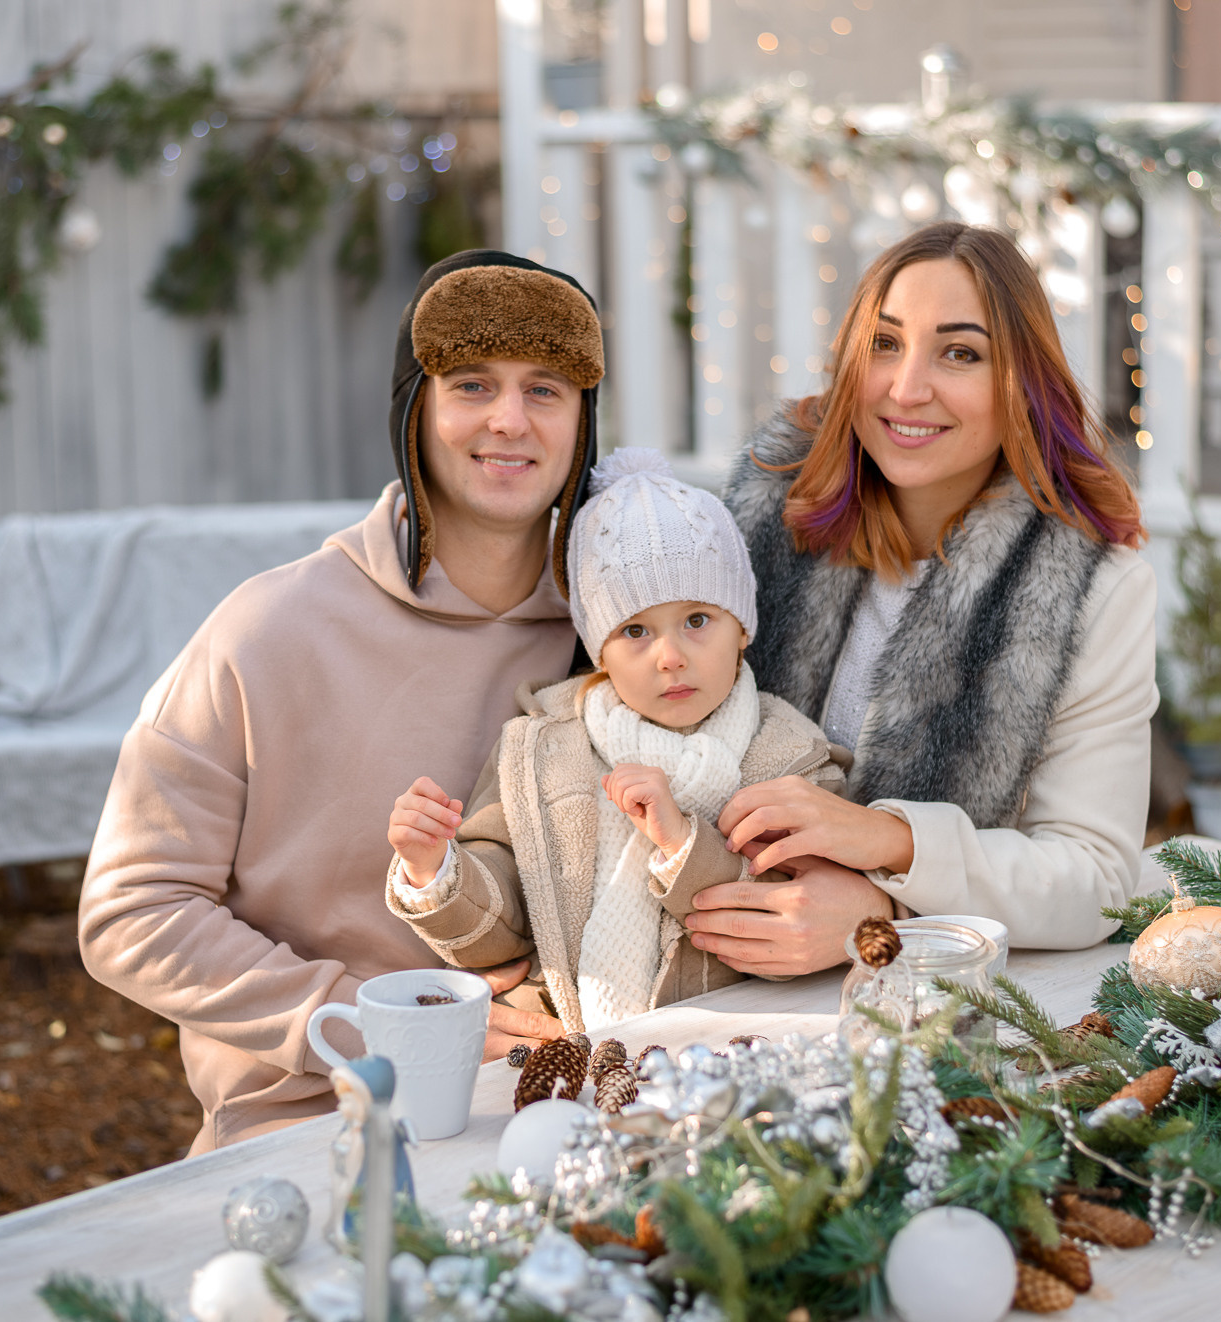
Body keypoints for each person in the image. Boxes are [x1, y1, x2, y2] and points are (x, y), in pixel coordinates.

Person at [79, 251, 610, 1154]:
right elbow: (133, 909)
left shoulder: (625, 635)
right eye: (473, 383)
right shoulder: (269, 630)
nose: (509, 420)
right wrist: (373, 1022)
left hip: (575, 1103)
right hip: (322, 1120)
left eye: (547, 388)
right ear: (414, 410)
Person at [681, 221, 1156, 973]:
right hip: (691, 975)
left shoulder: (1088, 585)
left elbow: (1093, 878)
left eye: (959, 353)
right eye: (886, 343)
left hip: (926, 1012)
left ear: (1020, 385)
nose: (907, 389)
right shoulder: (764, 510)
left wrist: (890, 881)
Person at [382, 450, 846, 1034]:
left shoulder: (793, 759)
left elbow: (802, 931)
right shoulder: (540, 751)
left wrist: (682, 844)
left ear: (742, 627)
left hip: (728, 1063)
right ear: (599, 650)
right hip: (567, 1063)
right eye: (635, 631)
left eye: (698, 619)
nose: (671, 656)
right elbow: (501, 936)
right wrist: (436, 872)